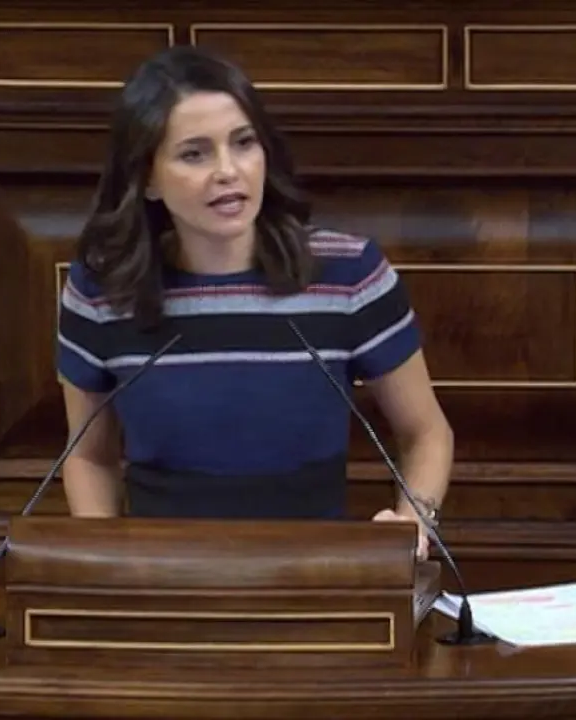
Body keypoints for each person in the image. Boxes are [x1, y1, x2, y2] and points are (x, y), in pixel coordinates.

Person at [54, 45, 453, 558]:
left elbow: (426, 433)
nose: (228, 171)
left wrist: (415, 520)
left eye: (243, 143)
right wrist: (107, 565)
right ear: (147, 178)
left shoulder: (348, 274)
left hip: (316, 572)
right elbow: (90, 457)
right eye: (194, 153)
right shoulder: (102, 290)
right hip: (161, 574)